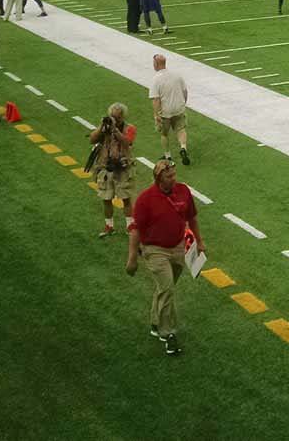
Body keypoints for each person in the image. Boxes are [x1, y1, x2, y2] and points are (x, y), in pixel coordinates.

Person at [127, 159, 204, 356]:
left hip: (178, 246)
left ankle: (155, 321)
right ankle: (168, 334)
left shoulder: (183, 191)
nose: (173, 179)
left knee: (165, 288)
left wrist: (200, 242)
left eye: (174, 175)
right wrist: (132, 258)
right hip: (155, 249)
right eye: (169, 176)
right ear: (159, 178)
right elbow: (136, 229)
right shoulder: (146, 199)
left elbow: (192, 217)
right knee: (167, 288)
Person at [90, 103, 137, 237]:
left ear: (123, 116)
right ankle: (109, 226)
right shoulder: (105, 128)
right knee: (106, 198)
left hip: (123, 168)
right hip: (105, 167)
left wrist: (115, 130)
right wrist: (101, 128)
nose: (115, 119)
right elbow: (92, 139)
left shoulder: (130, 128)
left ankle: (130, 226)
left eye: (118, 117)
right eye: (113, 117)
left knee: (126, 198)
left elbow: (127, 143)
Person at [150, 55, 191, 166]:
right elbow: (185, 92)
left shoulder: (156, 79)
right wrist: (183, 104)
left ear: (156, 64)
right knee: (181, 129)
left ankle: (168, 156)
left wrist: (156, 114)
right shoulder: (177, 75)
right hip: (179, 108)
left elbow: (156, 99)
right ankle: (183, 148)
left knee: (164, 134)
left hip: (165, 111)